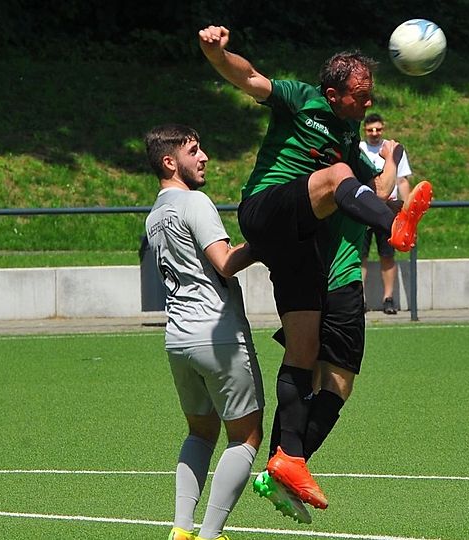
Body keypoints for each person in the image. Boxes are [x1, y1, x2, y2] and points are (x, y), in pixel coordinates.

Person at [198, 24, 433, 512]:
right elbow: (250, 79)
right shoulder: (301, 98)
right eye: (360, 97)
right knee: (335, 178)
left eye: (371, 96)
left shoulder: (349, 135)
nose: (368, 106)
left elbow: (370, 183)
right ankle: (393, 230)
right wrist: (218, 55)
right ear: (332, 93)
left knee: (304, 350)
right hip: (265, 208)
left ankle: (289, 460)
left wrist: (391, 163)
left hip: (297, 244)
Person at [144, 124, 264, 540]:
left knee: (200, 431)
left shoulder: (155, 215)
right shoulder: (194, 202)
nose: (204, 156)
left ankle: (181, 530)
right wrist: (264, 241)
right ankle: (211, 535)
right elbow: (225, 262)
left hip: (177, 337)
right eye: (193, 150)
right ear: (169, 161)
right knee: (246, 436)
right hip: (217, 334)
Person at [256, 205, 372, 523]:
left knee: (308, 374)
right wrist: (392, 155)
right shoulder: (350, 165)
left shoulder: (318, 168)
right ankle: (283, 468)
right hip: (341, 282)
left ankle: (278, 464)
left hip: (314, 285)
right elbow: (380, 189)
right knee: (338, 383)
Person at [359, 113, 413, 315]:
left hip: (386, 210)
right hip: (363, 209)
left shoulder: (392, 150)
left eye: (378, 129)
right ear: (365, 130)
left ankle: (388, 298)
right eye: (370, 129)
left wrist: (407, 212)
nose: (374, 133)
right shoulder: (359, 149)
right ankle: (360, 299)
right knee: (359, 256)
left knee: (387, 255)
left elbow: (402, 181)